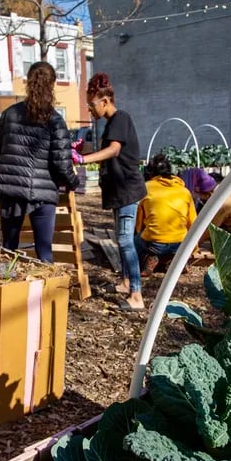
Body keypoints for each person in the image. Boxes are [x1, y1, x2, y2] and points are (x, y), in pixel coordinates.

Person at [0, 62, 80, 263]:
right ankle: (46, 292)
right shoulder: (55, 120)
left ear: (29, 83)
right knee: (44, 251)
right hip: (42, 193)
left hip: (10, 191)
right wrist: (73, 182)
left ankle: (4, 286)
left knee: (8, 249)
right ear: (52, 85)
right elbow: (62, 165)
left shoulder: (9, 114)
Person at [73, 72, 147, 311]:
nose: (90, 110)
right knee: (121, 239)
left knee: (126, 240)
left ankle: (136, 295)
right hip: (118, 191)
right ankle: (126, 283)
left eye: (91, 104)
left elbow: (114, 150)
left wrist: (83, 160)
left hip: (128, 190)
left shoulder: (120, 119)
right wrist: (80, 148)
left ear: (104, 101)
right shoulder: (109, 126)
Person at [135, 154, 197, 276]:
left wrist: (139, 233)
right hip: (180, 242)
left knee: (135, 241)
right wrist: (194, 248)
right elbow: (193, 222)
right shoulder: (184, 191)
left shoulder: (145, 188)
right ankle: (175, 260)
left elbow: (138, 222)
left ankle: (150, 257)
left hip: (154, 243)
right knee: (175, 246)